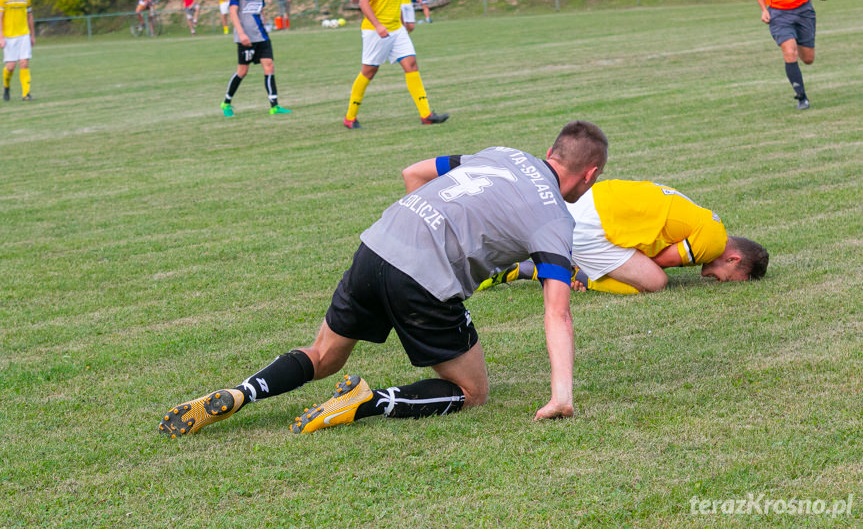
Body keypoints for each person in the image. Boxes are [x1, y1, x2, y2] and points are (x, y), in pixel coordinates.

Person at [158, 121, 609, 438]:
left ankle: (241, 393)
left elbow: (413, 172)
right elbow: (558, 313)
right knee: (473, 392)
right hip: (422, 279)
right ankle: (367, 402)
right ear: (589, 175)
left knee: (323, 355)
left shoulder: (501, 154)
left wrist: (424, 233)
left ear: (551, 151)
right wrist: (561, 396)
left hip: (378, 243)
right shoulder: (555, 218)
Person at [480, 180, 769, 295]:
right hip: (592, 225)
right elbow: (654, 264)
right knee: (654, 283)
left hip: (590, 199)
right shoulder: (714, 241)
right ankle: (552, 272)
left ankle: (546, 257)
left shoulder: (708, 218)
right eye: (729, 277)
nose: (717, 280)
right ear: (733, 258)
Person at [343, 0, 448, 129]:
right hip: (376, 31)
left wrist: (402, 22)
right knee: (369, 71)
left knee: (411, 64)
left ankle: (426, 114)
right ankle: (350, 117)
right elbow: (363, 2)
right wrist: (377, 25)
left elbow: (394, 2)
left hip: (397, 29)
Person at [749, 0, 829, 111]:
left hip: (803, 10)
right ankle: (801, 97)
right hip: (778, 14)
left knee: (808, 59)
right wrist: (764, 9)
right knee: (789, 51)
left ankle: (796, 39)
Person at [220, 0, 291, 117]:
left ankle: (274, 105)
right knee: (242, 71)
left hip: (261, 35)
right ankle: (226, 102)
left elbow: (260, 8)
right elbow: (233, 12)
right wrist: (241, 33)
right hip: (245, 37)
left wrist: (265, 22)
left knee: (269, 65)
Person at [0, 0, 34, 101]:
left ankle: (26, 94)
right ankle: (6, 86)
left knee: (24, 63)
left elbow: (30, 16)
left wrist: (32, 35)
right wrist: (1, 37)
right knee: (10, 66)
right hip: (9, 36)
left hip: (24, 34)